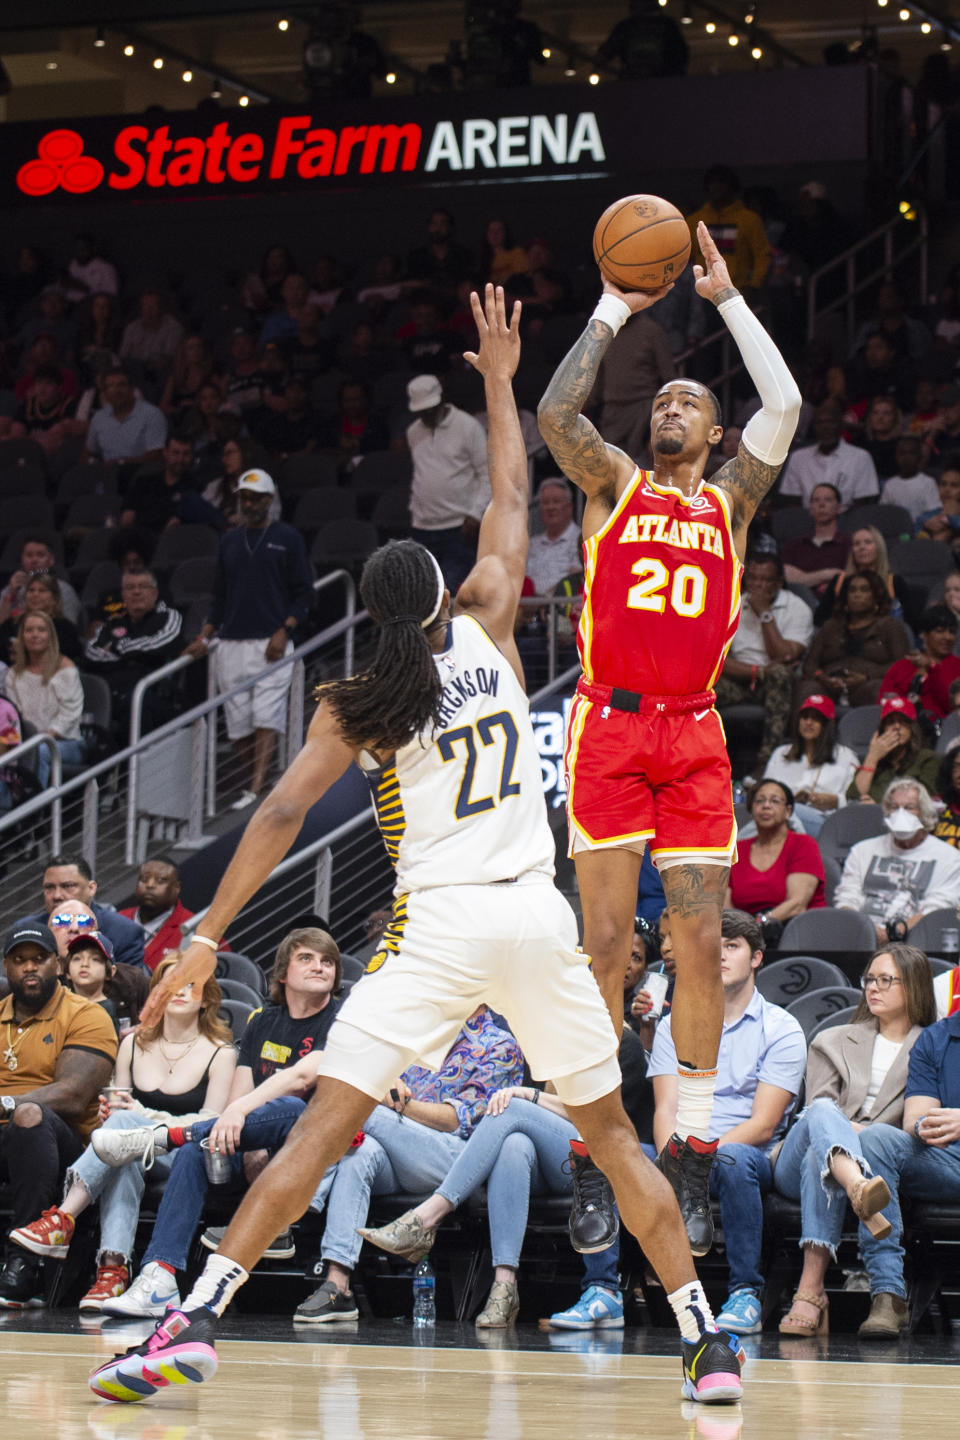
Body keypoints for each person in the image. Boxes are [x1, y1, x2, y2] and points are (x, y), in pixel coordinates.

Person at [90, 287, 745, 1408]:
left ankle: (195, 1319)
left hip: (439, 929)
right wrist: (497, 379)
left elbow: (280, 818)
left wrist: (203, 934)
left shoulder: (357, 700)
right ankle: (707, 1346)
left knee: (324, 1129)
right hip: (534, 919)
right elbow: (505, 492)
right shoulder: (490, 623)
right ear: (443, 596)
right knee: (618, 1139)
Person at [535, 222, 801, 1258]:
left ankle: (687, 1151)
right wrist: (611, 305)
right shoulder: (611, 486)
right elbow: (559, 408)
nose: (670, 406)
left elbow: (783, 405)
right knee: (603, 949)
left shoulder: (731, 502)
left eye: (688, 399)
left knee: (695, 942)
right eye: (661, 401)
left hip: (693, 737)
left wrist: (727, 298)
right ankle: (594, 1153)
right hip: (606, 726)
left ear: (713, 426)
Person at [87, 927, 342, 1320]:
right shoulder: (263, 1021)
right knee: (195, 1150)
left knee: (292, 1106)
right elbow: (239, 1097)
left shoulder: (340, 1020)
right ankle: (160, 1276)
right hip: (254, 1145)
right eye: (306, 958)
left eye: (328, 962)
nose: (319, 967)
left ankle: (163, 1137)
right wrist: (249, 1136)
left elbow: (304, 1079)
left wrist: (240, 1117)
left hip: (308, 1148)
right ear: (283, 973)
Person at [8, 952, 236, 1312]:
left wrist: (138, 1116)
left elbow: (209, 1123)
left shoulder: (221, 1053)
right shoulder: (132, 1044)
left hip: (184, 1154)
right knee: (120, 1151)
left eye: (190, 985)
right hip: (134, 1152)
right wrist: (111, 1116)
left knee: (122, 1133)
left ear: (207, 998)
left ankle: (63, 1218)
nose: (179, 991)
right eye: (170, 983)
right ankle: (112, 1271)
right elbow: (116, 1114)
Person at [291, 1005, 522, 1325]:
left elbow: (458, 1120)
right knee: (359, 1153)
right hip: (395, 1149)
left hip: (457, 1163)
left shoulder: (498, 1045)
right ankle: (337, 1286)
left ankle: (295, 1210)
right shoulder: (415, 1037)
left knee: (364, 1111)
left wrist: (399, 1103)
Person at [650, 910, 806, 1334]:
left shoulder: (782, 1029)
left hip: (744, 1154)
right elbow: (666, 1108)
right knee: (620, 1158)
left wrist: (700, 1158)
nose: (719, 956)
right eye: (712, 947)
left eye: (732, 946)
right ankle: (605, 1290)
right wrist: (675, 1160)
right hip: (681, 1149)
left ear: (756, 958)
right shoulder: (671, 1026)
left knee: (735, 1158)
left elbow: (763, 1124)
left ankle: (745, 1292)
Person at [358, 1078, 620, 1330]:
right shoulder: (547, 1046)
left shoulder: (609, 1040)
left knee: (512, 1105)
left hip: (594, 1154)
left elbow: (602, 1115)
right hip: (551, 1157)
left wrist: (531, 1095)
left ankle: (427, 1218)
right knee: (514, 1145)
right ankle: (504, 1286)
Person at [773, 942, 935, 1337]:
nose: (873, 988)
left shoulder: (931, 1047)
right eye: (869, 980)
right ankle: (857, 1186)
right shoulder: (833, 1039)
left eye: (886, 980)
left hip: (868, 1161)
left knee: (821, 1159)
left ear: (913, 986)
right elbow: (816, 1114)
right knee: (823, 1114)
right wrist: (850, 1133)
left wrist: (858, 1136)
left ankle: (810, 1293)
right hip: (796, 1160)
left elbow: (913, 1130)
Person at [0, 921, 117, 1308]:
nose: (29, 968)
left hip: (63, 1147)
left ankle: (24, 1264)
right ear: (6, 967)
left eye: (39, 959)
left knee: (30, 1116)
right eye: (19, 961)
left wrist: (5, 1104)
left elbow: (72, 1094)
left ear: (58, 965)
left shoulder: (87, 1014)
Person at [183, 468, 314, 808]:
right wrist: (204, 636)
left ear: (270, 500)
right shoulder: (229, 541)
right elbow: (219, 598)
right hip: (231, 642)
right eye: (245, 497)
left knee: (266, 716)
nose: (250, 503)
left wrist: (284, 631)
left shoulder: (287, 538)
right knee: (239, 724)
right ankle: (263, 780)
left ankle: (256, 791)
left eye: (256, 498)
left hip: (271, 641)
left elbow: (305, 593)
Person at [854, 997, 960, 1337]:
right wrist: (927, 1125)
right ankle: (888, 1294)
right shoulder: (936, 1038)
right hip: (948, 1161)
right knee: (877, 1139)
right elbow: (917, 1117)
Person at [715, 552, 813, 768]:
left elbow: (783, 656)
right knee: (704, 680)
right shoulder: (732, 604)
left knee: (780, 673)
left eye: (765, 580)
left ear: (778, 583)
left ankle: (769, 761)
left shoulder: (797, 608)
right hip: (740, 679)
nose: (757, 586)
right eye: (753, 579)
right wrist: (757, 671)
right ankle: (704, 755)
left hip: (775, 685)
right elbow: (716, 657)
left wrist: (765, 614)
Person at [835, 778, 960, 943]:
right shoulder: (862, 850)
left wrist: (894, 933)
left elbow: (937, 907)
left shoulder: (949, 857)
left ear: (923, 812)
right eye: (895, 807)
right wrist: (868, 932)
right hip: (860, 936)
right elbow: (847, 897)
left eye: (910, 808)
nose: (901, 814)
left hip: (918, 939)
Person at [406, 373, 489, 594]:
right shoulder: (413, 432)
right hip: (423, 526)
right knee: (424, 592)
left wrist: (476, 513)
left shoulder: (468, 426)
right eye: (421, 411)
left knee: (451, 590)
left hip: (460, 527)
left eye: (429, 409)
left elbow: (487, 474)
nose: (426, 414)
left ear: (441, 401)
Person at [83, 569, 184, 741]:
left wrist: (116, 648)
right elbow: (91, 652)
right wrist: (133, 654)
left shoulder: (169, 616)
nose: (136, 592)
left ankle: (131, 766)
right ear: (123, 594)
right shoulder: (112, 623)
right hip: (115, 695)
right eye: (130, 588)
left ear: (154, 593)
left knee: (135, 705)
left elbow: (157, 647)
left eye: (142, 586)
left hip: (155, 695)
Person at [18, 854, 145, 971]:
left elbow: (129, 990)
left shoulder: (124, 932)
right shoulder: (26, 929)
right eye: (49, 887)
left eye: (68, 886)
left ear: (91, 888)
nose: (56, 895)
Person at [802, 571, 910, 707]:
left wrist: (867, 677)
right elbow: (810, 665)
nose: (857, 595)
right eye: (852, 590)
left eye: (864, 590)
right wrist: (822, 677)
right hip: (829, 686)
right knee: (807, 690)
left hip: (867, 685)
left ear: (876, 596)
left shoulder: (889, 626)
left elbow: (901, 665)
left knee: (879, 690)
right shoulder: (831, 626)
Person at [728, 781, 825, 930]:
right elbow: (726, 906)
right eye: (759, 801)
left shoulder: (803, 844)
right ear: (752, 810)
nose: (766, 805)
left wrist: (757, 925)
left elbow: (797, 904)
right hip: (745, 934)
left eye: (774, 801)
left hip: (795, 931)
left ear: (788, 811)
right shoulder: (737, 849)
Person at [3, 612, 84, 788]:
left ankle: (34, 810)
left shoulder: (66, 670)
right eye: (29, 630)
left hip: (65, 742)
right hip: (26, 742)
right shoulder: (13, 674)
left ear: (50, 636)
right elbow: (13, 716)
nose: (35, 635)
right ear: (22, 637)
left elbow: (70, 715)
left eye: (41, 630)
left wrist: (45, 737)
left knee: (40, 752)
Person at [763, 693, 859, 837]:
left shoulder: (845, 756)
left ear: (827, 725)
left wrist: (835, 801)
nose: (808, 722)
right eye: (804, 717)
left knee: (783, 812)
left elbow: (855, 801)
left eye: (816, 718)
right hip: (781, 819)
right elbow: (764, 792)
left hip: (825, 822)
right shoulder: (781, 753)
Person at [593, 306, 676, 462]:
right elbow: (598, 371)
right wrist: (589, 401)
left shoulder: (651, 330)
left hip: (643, 405)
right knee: (610, 461)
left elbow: (668, 373)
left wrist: (670, 405)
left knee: (642, 460)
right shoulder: (606, 331)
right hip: (612, 407)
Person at [685, 166, 771, 298]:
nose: (716, 187)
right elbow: (684, 258)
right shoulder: (694, 220)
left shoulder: (749, 219)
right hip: (702, 293)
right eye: (711, 182)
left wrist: (754, 285)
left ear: (732, 186)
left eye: (721, 182)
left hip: (738, 292)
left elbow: (762, 255)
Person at [778, 402, 880, 509]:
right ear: (813, 427)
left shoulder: (860, 457)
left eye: (831, 422)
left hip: (848, 522)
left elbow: (863, 503)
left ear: (841, 425)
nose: (825, 427)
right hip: (806, 521)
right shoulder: (798, 458)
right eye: (820, 423)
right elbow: (793, 502)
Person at [846, 697, 940, 805]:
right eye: (890, 722)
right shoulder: (874, 761)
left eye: (903, 721)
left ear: (912, 728)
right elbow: (853, 796)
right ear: (882, 729)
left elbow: (926, 801)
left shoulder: (927, 759)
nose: (897, 726)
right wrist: (872, 758)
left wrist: (879, 806)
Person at [815, 525, 910, 627]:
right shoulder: (840, 581)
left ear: (879, 547)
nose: (862, 547)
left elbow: (910, 623)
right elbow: (820, 619)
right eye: (856, 544)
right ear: (852, 551)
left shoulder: (894, 582)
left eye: (868, 542)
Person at [880, 605, 960, 721]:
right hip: (906, 728)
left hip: (948, 730)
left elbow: (951, 706)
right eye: (940, 631)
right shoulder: (901, 667)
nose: (947, 637)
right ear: (924, 635)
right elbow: (885, 705)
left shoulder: (957, 666)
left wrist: (932, 668)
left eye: (952, 632)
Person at [119, 857, 195, 972]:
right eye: (144, 879)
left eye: (160, 881)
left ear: (176, 888)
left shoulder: (195, 927)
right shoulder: (118, 919)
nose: (150, 885)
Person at [84, 366, 167, 466]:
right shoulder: (99, 418)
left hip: (140, 474)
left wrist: (121, 462)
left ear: (132, 389)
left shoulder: (152, 414)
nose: (116, 391)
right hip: (106, 475)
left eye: (121, 385)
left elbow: (156, 455)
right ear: (104, 393)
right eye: (110, 386)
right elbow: (88, 452)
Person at [780, 482, 851, 597]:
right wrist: (829, 574)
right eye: (816, 500)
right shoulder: (794, 545)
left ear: (839, 508)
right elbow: (785, 578)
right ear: (810, 509)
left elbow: (849, 578)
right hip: (798, 603)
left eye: (828, 500)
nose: (821, 504)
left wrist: (803, 578)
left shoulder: (849, 543)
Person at [0, 533, 82, 628]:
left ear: (51, 560)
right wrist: (10, 595)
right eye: (29, 555)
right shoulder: (10, 589)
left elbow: (69, 627)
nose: (34, 560)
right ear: (22, 560)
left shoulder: (64, 590)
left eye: (40, 555)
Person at [0, 574, 80, 664]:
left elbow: (68, 656)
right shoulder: (12, 623)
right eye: (31, 590)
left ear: (54, 598)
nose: (35, 594)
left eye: (42, 591)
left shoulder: (65, 627)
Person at [525, 479, 582, 596]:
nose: (550, 507)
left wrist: (543, 603)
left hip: (562, 608)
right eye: (545, 502)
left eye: (556, 501)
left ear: (569, 507)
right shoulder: (531, 544)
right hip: (527, 610)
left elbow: (576, 580)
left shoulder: (581, 539)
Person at [62, 929, 119, 1034]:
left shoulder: (106, 1010)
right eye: (77, 959)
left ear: (110, 972)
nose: (84, 964)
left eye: (95, 959)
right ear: (67, 971)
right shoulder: (61, 1006)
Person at [879, 434, 941, 521]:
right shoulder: (890, 484)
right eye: (902, 453)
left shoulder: (928, 482)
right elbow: (884, 514)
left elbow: (933, 513)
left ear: (919, 456)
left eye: (911, 453)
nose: (906, 458)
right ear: (896, 456)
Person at [916, 458, 960, 543]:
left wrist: (948, 518)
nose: (947, 489)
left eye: (954, 485)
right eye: (943, 484)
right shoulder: (924, 518)